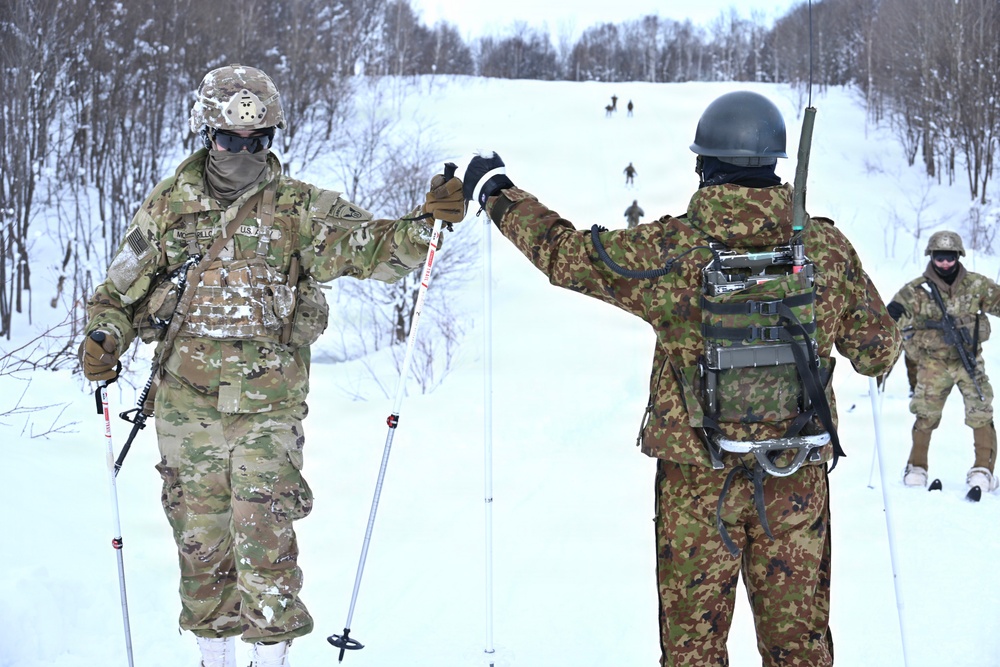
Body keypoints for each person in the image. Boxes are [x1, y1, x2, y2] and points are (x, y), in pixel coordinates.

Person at [461, 90, 900, 667]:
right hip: (795, 475)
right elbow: (875, 353)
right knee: (800, 648)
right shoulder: (825, 248)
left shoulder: (672, 249)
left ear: (704, 165)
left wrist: (497, 192)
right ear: (775, 163)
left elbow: (564, 255)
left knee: (693, 648)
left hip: (699, 478)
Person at [79, 64, 465, 667]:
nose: (243, 152)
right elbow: (117, 295)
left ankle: (271, 659)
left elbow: (373, 249)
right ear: (206, 134)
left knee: (264, 536)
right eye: (230, 140)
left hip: (268, 405)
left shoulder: (299, 208)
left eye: (258, 142)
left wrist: (425, 223)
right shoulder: (168, 208)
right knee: (201, 543)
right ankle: (215, 659)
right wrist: (103, 339)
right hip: (186, 405)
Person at [887, 230, 999, 494]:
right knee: (925, 414)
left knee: (980, 410)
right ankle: (917, 467)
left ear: (958, 256)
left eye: (950, 257)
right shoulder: (916, 290)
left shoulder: (977, 285)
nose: (945, 263)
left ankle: (983, 469)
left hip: (968, 361)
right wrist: (886, 322)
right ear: (931, 256)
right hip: (932, 363)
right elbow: (894, 314)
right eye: (940, 257)